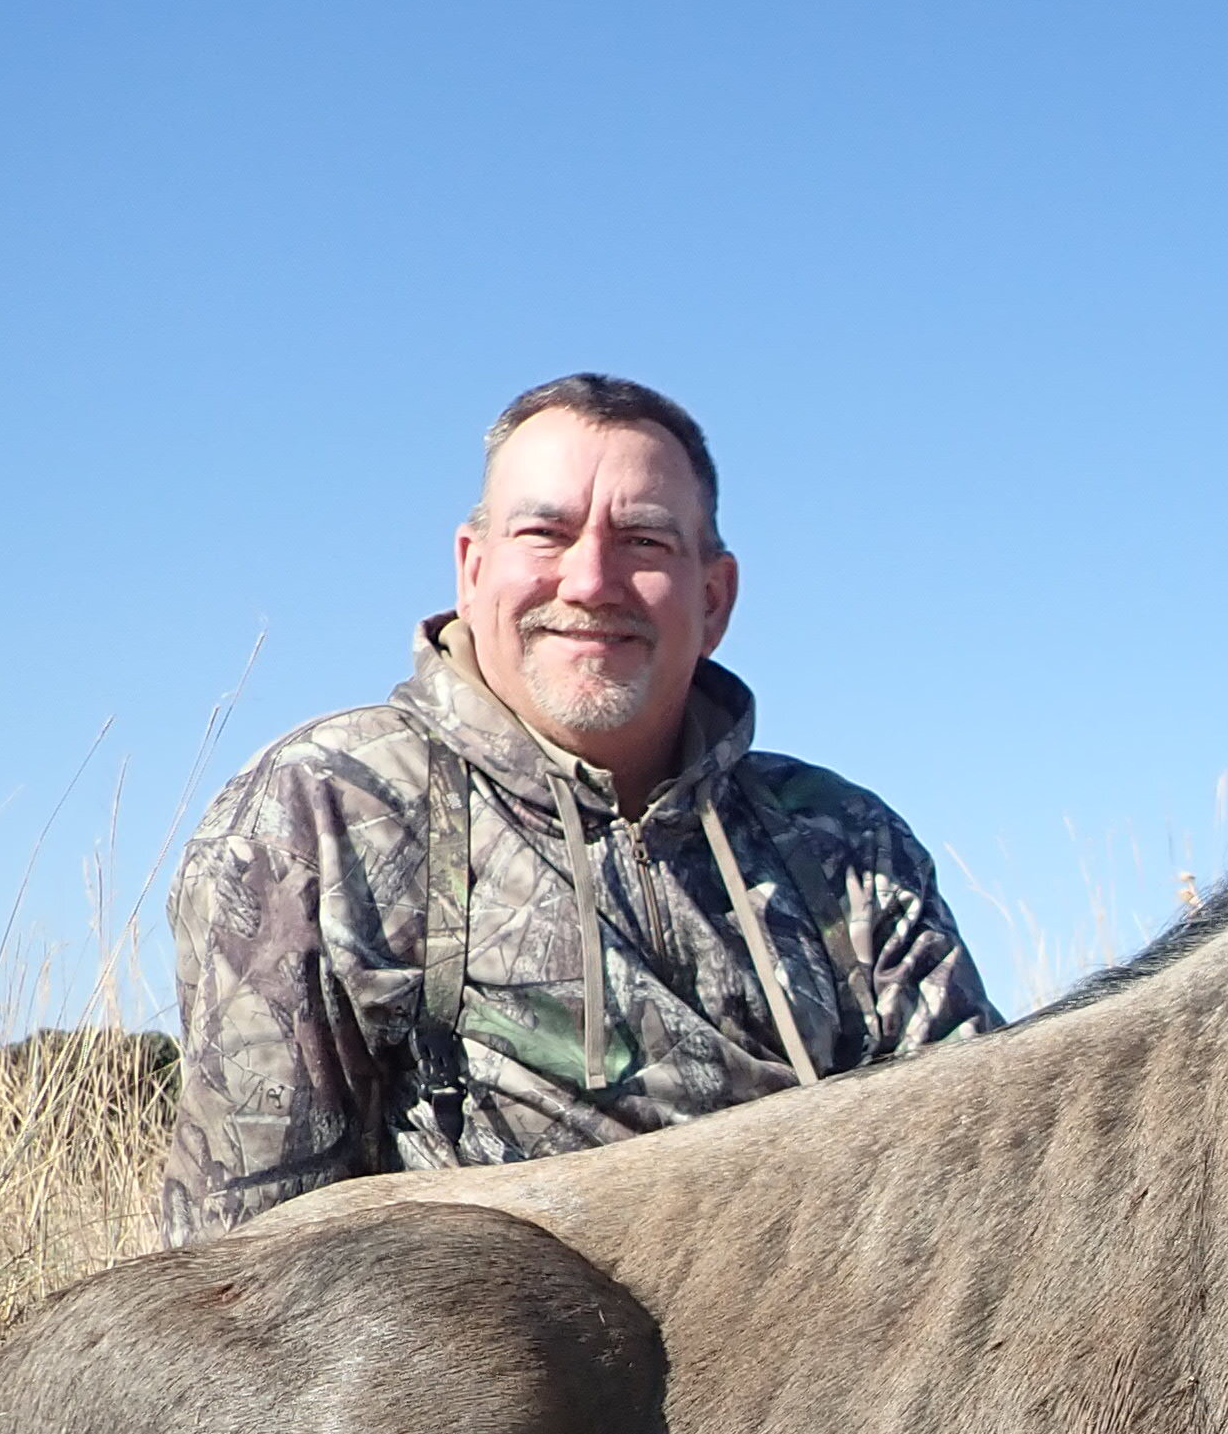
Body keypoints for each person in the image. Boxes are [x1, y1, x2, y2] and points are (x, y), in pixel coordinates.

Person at [161, 374, 992, 1241]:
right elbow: (242, 1269)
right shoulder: (320, 812)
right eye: (546, 534)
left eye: (643, 540)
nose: (592, 581)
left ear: (714, 598)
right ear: (473, 569)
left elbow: (980, 1183)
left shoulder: (849, 843)